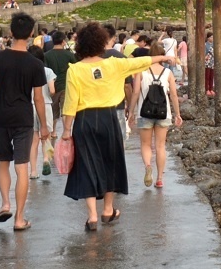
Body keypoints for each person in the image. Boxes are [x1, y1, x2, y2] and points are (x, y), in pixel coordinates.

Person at [61, 22, 178, 230]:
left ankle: (92, 216)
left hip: (84, 120)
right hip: (108, 118)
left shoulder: (75, 70)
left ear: (80, 46)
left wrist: (66, 131)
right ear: (100, 43)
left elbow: (70, 104)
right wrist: (164, 57)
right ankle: (108, 209)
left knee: (86, 165)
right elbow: (143, 62)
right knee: (110, 162)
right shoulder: (113, 64)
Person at [0, 13, 49, 232]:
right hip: (24, 118)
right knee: (22, 167)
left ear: (11, 33)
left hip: (1, 117)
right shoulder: (35, 63)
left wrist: (0, 97)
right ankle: (19, 219)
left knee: (3, 162)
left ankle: (5, 204)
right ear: (31, 34)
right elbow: (38, 98)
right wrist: (45, 125)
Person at [131, 53, 183, 189]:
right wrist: (178, 114)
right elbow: (173, 95)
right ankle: (160, 179)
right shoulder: (168, 73)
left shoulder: (141, 72)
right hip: (163, 113)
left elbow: (135, 92)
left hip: (144, 113)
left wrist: (130, 111)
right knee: (160, 146)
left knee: (146, 144)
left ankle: (148, 165)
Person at [29, 48, 56, 181]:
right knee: (46, 136)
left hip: (30, 106)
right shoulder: (48, 71)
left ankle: (33, 171)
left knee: (33, 140)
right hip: (45, 105)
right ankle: (45, 159)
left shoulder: (26, 71)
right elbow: (52, 90)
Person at [44, 31, 75, 138]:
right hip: (66, 86)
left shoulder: (46, 55)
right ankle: (66, 132)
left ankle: (53, 132)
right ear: (63, 41)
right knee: (65, 110)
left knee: (53, 111)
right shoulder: (69, 55)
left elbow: (45, 71)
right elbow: (76, 67)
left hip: (52, 87)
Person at [204, 31, 215, 96]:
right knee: (207, 76)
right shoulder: (205, 44)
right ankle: (207, 89)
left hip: (212, 62)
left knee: (212, 76)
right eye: (211, 37)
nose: (212, 38)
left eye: (212, 37)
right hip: (207, 62)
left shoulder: (214, 44)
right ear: (208, 38)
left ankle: (211, 89)